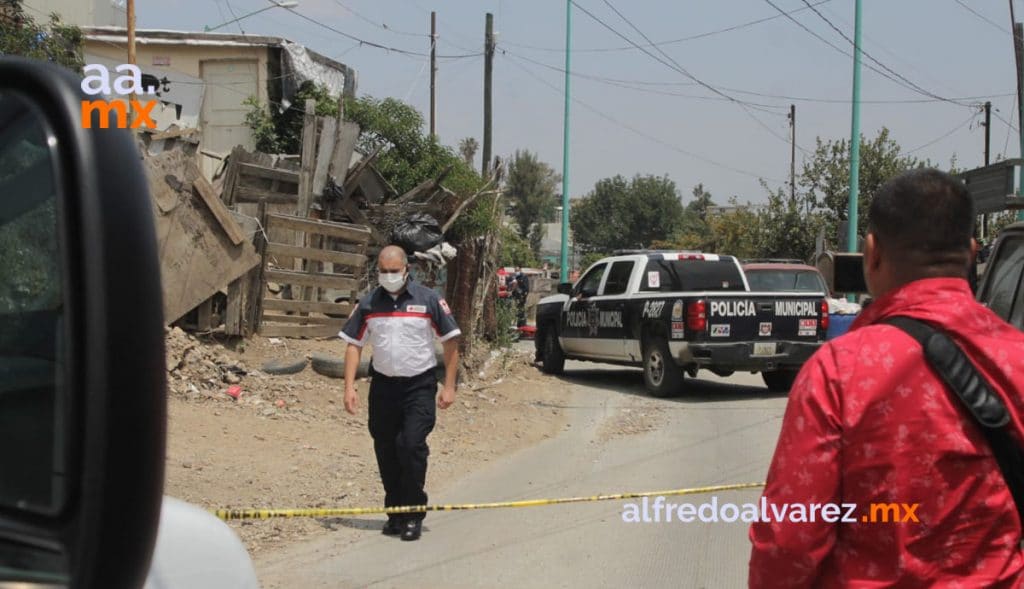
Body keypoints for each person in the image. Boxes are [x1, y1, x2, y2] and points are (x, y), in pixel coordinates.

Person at [748, 169, 1024, 587]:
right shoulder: (1015, 359)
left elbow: (790, 540)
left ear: (872, 253)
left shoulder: (838, 371)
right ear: (970, 253)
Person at [339, 245, 461, 542]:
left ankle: (413, 515)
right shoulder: (369, 303)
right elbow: (354, 345)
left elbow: (450, 342)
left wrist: (449, 385)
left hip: (418, 387)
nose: (389, 276)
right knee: (386, 448)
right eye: (384, 271)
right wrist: (349, 386)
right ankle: (394, 514)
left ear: (407, 270)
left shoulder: (428, 300)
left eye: (394, 271)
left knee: (410, 445)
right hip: (383, 388)